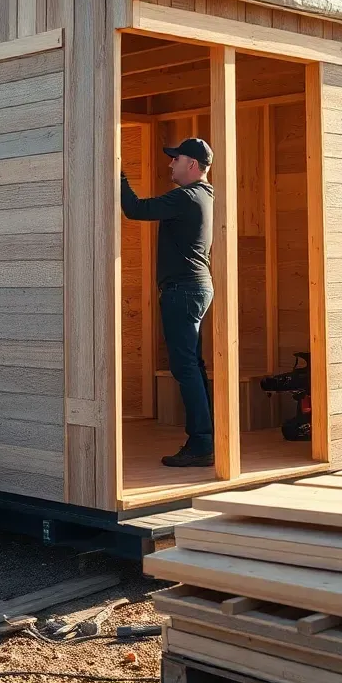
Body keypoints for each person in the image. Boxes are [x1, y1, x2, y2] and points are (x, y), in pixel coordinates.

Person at [120, 137, 214, 468]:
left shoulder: (186, 197)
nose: (170, 164)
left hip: (183, 290)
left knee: (184, 366)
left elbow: (135, 209)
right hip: (197, 288)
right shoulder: (206, 196)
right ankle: (207, 437)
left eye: (176, 159)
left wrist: (117, 176)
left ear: (193, 165)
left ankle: (202, 442)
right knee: (192, 364)